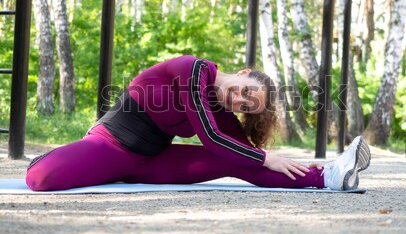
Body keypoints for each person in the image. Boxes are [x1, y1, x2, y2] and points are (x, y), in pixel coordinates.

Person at [26, 55, 370, 191]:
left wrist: (265, 158)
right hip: (109, 146)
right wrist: (266, 157)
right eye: (246, 92)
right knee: (39, 178)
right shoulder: (192, 69)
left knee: (236, 158)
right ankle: (59, 155)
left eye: (247, 106)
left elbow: (240, 151)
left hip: (150, 162)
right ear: (245, 73)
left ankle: (329, 176)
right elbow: (209, 136)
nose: (240, 101)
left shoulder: (220, 108)